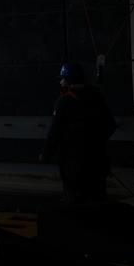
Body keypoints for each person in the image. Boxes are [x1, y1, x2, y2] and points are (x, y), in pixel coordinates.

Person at [40, 62, 117, 204]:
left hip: (74, 163)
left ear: (67, 80)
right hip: (98, 159)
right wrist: (96, 142)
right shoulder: (96, 96)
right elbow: (110, 125)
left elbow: (55, 132)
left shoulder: (64, 101)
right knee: (98, 200)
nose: (61, 82)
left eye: (62, 79)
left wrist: (46, 154)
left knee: (75, 201)